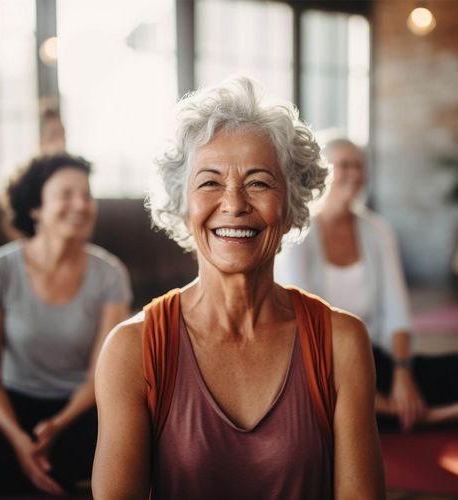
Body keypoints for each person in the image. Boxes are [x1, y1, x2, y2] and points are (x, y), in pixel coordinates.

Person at [92, 77, 385, 499]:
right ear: (182, 202)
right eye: (210, 182)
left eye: (259, 182)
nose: (234, 203)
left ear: (292, 205)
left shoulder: (342, 342)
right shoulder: (132, 349)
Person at [0, 153, 132, 494]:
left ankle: (33, 471)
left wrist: (57, 425)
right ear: (35, 208)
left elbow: (101, 372)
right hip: (13, 408)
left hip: (80, 410)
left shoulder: (110, 275)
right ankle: (36, 466)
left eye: (86, 195)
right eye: (66, 194)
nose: (81, 204)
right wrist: (19, 440)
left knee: (140, 448)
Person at [275, 137, 458, 431]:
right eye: (344, 165)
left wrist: (403, 374)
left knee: (447, 371)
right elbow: (303, 322)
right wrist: (360, 385)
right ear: (321, 172)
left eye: (359, 166)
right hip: (320, 358)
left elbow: (398, 313)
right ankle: (423, 416)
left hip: (374, 357)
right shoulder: (298, 236)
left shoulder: (378, 232)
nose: (354, 174)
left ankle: (392, 412)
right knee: (320, 391)